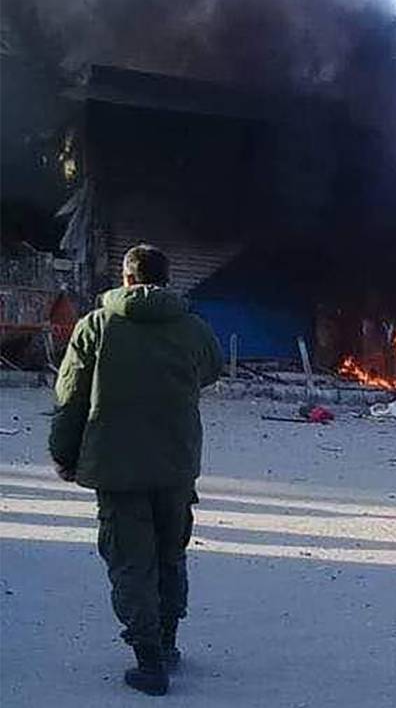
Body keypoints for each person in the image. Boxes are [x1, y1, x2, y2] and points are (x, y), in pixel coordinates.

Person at [49, 245, 223, 696]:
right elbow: (211, 371)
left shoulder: (96, 327)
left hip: (116, 466)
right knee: (170, 555)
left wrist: (65, 455)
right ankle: (166, 644)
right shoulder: (193, 328)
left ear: (126, 279)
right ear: (166, 281)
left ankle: (149, 662)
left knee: (131, 562)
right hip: (176, 465)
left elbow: (70, 399)